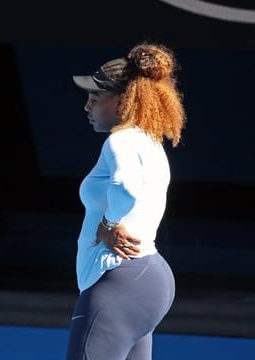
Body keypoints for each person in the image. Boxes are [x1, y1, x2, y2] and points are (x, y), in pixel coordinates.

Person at [66, 42, 185, 360]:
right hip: (147, 279)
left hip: (120, 282)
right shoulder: (147, 140)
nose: (87, 107)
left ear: (121, 101)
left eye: (94, 98)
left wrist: (109, 224)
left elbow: (126, 187)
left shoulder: (120, 140)